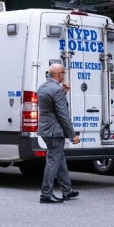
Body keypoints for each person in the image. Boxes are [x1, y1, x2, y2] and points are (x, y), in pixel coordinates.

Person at [37, 63, 80, 204]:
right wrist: (72, 134)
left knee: (58, 158)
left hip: (45, 129)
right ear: (59, 75)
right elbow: (62, 114)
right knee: (53, 161)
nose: (64, 75)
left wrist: (63, 92)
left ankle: (67, 190)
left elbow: (51, 105)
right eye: (63, 73)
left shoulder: (42, 87)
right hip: (55, 131)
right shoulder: (56, 90)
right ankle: (46, 193)